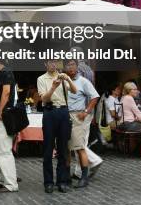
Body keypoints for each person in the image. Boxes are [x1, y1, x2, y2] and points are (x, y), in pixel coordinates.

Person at [37, 60, 76, 193]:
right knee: (48, 148)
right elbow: (44, 99)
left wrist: (69, 80)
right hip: (49, 112)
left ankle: (62, 181)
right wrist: (53, 87)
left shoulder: (63, 77)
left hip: (63, 112)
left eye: (56, 62)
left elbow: (75, 91)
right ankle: (48, 182)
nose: (53, 65)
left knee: (63, 148)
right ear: (45, 64)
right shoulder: (41, 79)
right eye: (50, 62)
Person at [64, 59, 99, 188]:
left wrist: (86, 111)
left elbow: (95, 97)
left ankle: (84, 177)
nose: (70, 67)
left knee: (79, 147)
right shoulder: (63, 81)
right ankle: (67, 176)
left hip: (78, 116)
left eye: (73, 64)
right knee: (66, 148)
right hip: (65, 115)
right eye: (68, 65)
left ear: (77, 67)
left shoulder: (83, 81)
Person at [0, 59, 19, 193]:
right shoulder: (1, 73)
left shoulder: (5, 72)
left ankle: (11, 183)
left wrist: (0, 109)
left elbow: (6, 92)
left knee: (3, 150)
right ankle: (1, 180)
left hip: (3, 114)